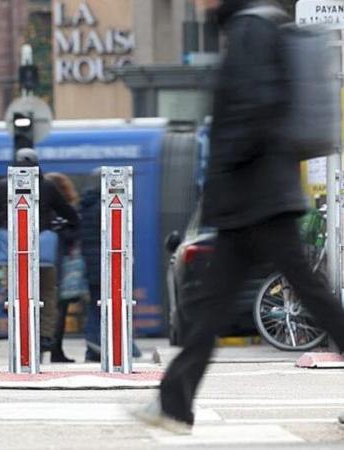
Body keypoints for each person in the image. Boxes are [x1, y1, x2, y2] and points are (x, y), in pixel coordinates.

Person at [134, 0, 344, 434]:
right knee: (210, 308)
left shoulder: (251, 30)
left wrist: (225, 165)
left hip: (257, 197)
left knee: (312, 298)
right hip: (253, 199)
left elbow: (254, 107)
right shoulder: (256, 27)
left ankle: (173, 404)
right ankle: (174, 404)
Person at [0, 149, 80, 353]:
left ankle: (11, 306)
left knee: (11, 282)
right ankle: (45, 336)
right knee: (47, 292)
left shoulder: (3, 186)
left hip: (13, 247)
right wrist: (68, 223)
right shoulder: (47, 185)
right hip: (41, 248)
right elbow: (67, 211)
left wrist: (0, 223)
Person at [79, 171, 141, 362]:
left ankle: (95, 347)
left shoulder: (86, 205)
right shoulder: (105, 206)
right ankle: (106, 344)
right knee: (113, 301)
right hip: (107, 261)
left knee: (96, 303)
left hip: (91, 262)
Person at [45, 172, 82, 363]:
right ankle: (55, 349)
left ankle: (48, 346)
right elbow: (74, 235)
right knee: (60, 307)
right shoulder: (69, 212)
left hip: (45, 263)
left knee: (48, 306)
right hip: (64, 265)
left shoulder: (41, 210)